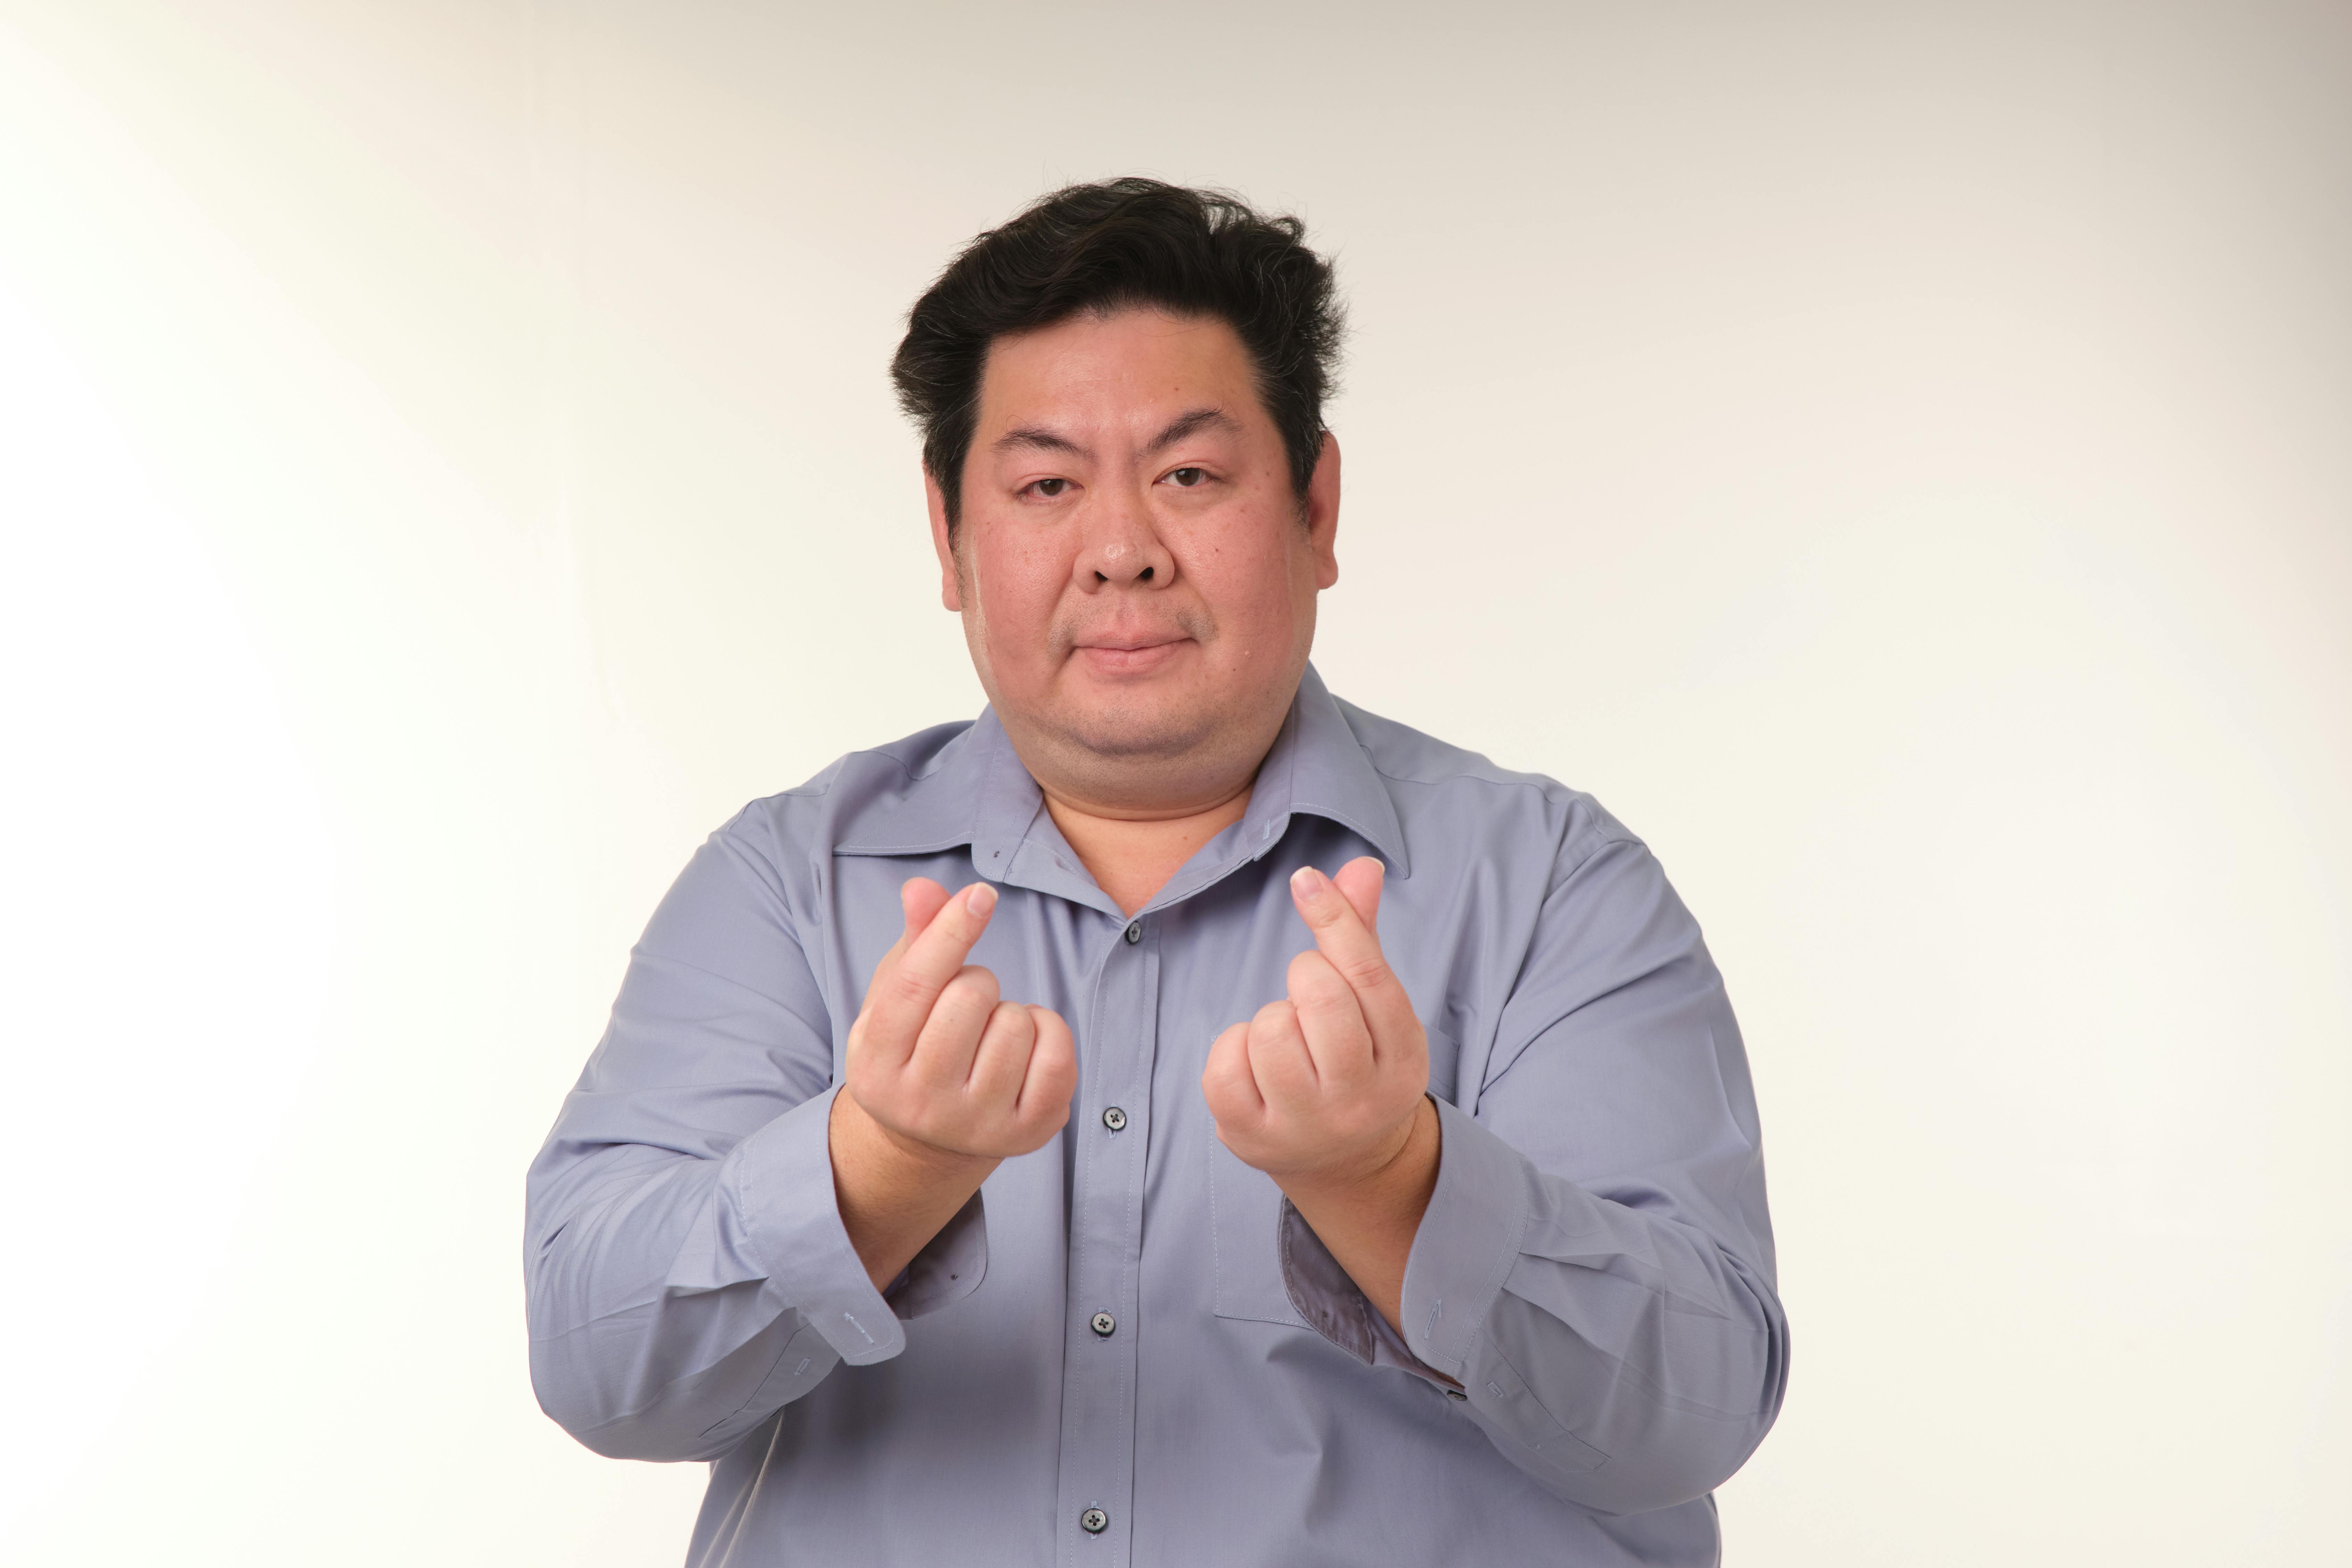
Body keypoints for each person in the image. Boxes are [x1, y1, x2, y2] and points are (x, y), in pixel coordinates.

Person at [525, 178, 1788, 1567]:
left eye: (1189, 476)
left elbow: (1696, 1409)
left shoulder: (1555, 888)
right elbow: (597, 1367)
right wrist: (877, 1166)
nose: (1121, 550)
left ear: (1315, 508)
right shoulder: (784, 882)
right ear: (949, 537)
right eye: (1047, 485)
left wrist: (1396, 1179)